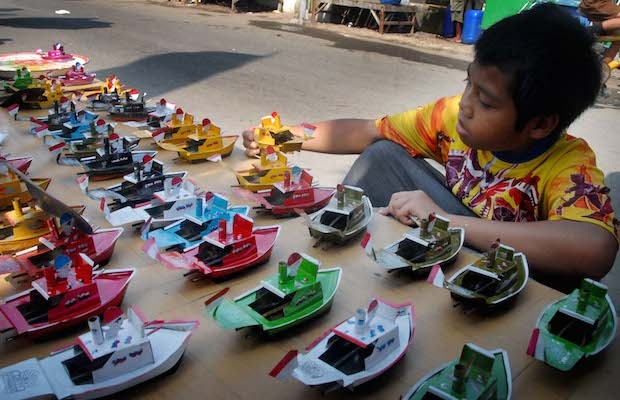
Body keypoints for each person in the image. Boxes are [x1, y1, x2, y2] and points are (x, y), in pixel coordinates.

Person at [242, 4, 618, 290]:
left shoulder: (568, 162)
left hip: (508, 276)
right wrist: (280, 137)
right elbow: (367, 131)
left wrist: (445, 222)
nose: (466, 104)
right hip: (453, 239)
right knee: (382, 154)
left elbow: (595, 249)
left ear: (540, 124)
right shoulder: (452, 115)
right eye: (468, 83)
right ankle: (350, 267)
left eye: (486, 102)